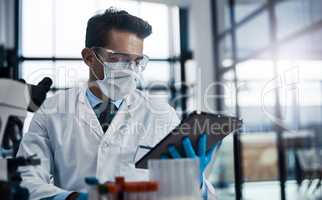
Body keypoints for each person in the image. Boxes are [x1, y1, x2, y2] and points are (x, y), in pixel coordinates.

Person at [17, 8, 218, 200]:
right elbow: (25, 179)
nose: (130, 70)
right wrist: (72, 198)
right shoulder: (52, 111)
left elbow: (182, 194)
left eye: (137, 61)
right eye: (118, 59)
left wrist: (195, 181)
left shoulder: (161, 114)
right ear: (89, 57)